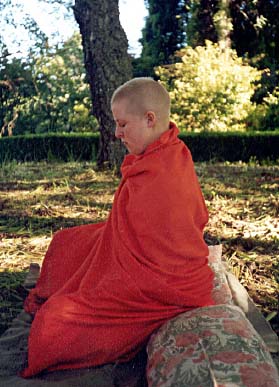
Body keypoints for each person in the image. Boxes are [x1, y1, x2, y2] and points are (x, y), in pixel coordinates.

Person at [21, 77, 214, 378]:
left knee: (52, 326)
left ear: (149, 119)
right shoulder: (166, 151)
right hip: (132, 256)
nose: (116, 133)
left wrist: (105, 273)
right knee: (66, 242)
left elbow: (162, 249)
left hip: (161, 283)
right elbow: (128, 228)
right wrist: (108, 251)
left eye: (123, 124)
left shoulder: (168, 166)